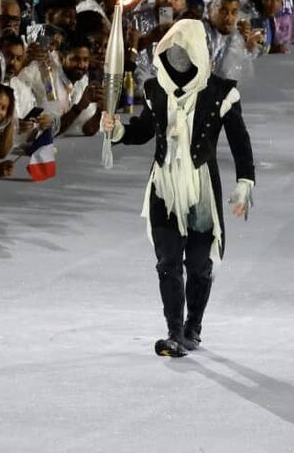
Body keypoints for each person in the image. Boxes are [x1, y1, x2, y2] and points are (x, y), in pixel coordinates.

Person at [102, 18, 254, 357]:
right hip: (163, 187)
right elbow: (143, 131)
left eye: (184, 51)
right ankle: (174, 330)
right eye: (172, 52)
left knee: (199, 263)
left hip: (200, 191)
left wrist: (246, 180)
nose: (177, 58)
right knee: (167, 261)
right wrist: (117, 131)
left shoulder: (221, 92)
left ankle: (192, 328)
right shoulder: (155, 89)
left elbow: (239, 141)